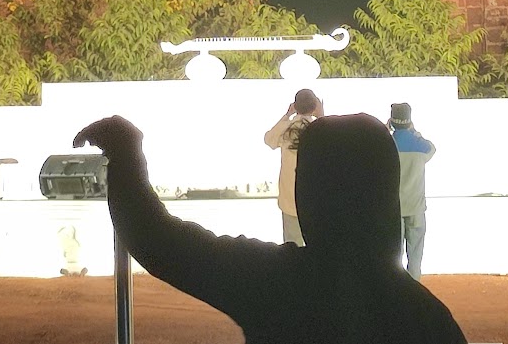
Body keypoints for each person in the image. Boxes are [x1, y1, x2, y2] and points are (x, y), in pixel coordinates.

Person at [75, 113, 465, 344]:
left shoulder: (276, 282)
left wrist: (127, 155)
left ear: (309, 195)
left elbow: (157, 240)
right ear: (386, 192)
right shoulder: (425, 317)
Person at [263, 88, 320, 244]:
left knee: (292, 244)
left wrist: (287, 115)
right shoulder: (319, 128)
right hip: (314, 197)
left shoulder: (287, 127)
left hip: (289, 195)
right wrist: (322, 116)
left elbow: (269, 139)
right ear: (315, 106)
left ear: (295, 105)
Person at [387, 102, 436, 278]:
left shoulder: (387, 144)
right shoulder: (420, 146)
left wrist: (386, 131)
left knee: (394, 257)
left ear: (392, 120)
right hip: (416, 207)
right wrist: (414, 131)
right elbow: (432, 148)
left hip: (394, 210)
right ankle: (415, 288)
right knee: (415, 257)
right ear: (409, 121)